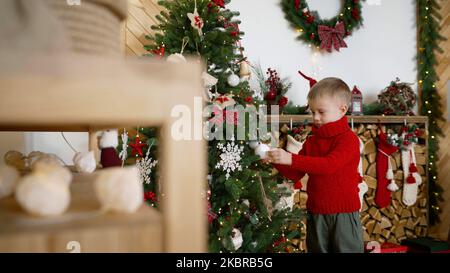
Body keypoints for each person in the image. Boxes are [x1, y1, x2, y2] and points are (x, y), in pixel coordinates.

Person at [267, 77, 364, 253]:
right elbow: (295, 173)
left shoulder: (348, 139)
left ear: (342, 110)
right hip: (316, 212)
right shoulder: (312, 141)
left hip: (343, 213)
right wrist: (276, 159)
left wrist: (290, 158)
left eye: (321, 112)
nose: (315, 117)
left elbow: (329, 165)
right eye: (313, 112)